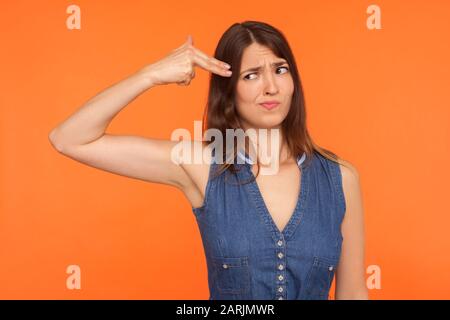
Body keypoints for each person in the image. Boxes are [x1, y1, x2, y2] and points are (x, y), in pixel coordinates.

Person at [49, 21, 368, 300]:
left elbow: (353, 294)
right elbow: (69, 139)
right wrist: (150, 75)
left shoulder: (339, 177)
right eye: (251, 75)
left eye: (280, 70)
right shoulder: (201, 165)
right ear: (229, 92)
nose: (271, 87)